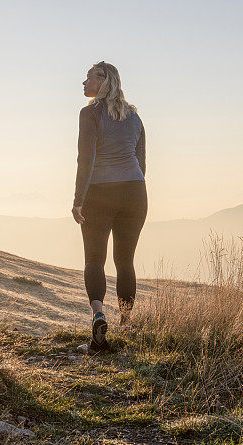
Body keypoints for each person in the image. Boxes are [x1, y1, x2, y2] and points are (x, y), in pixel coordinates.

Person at [72, 61, 147, 352]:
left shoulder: (89, 114)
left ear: (104, 80)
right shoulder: (135, 117)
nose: (83, 82)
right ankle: (126, 324)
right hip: (135, 191)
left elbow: (85, 159)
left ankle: (99, 317)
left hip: (100, 192)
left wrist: (78, 199)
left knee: (94, 259)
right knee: (125, 261)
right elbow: (142, 162)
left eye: (88, 77)